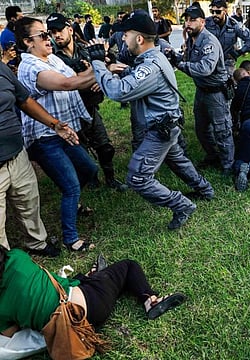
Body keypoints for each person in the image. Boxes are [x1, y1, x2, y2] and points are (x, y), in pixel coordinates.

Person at [89, 10, 214, 230]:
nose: (123, 40)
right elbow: (137, 76)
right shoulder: (153, 57)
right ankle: (205, 190)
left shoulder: (150, 66)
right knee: (177, 160)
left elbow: (119, 92)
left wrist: (98, 64)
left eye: (125, 35)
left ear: (138, 38)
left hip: (160, 129)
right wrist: (117, 68)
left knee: (137, 178)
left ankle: (181, 205)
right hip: (167, 124)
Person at [15, 17, 99, 252]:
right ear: (27, 42)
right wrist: (99, 71)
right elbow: (65, 84)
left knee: (89, 169)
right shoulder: (30, 66)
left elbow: (77, 80)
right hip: (44, 137)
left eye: (48, 33)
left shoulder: (51, 58)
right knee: (70, 185)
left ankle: (74, 204)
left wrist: (95, 76)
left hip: (64, 131)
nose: (49, 38)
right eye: (42, 35)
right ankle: (71, 240)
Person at [0, 247, 187, 350]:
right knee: (128, 266)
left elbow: (10, 334)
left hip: (66, 333)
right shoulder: (17, 257)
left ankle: (93, 275)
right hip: (92, 305)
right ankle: (150, 301)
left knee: (80, 280)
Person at [0, 60, 80, 257]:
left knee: (28, 202)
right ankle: (5, 266)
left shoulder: (1, 69)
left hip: (16, 154)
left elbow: (25, 100)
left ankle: (37, 243)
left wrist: (54, 124)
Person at [46, 13, 128, 192]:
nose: (56, 35)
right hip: (69, 111)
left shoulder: (85, 49)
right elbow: (63, 83)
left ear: (69, 29)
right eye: (52, 32)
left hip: (90, 108)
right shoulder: (53, 58)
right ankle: (91, 180)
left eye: (59, 30)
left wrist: (102, 76)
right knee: (80, 152)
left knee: (105, 147)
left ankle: (110, 178)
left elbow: (111, 62)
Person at [171, 4, 235, 176]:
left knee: (222, 131)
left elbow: (204, 68)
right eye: (186, 20)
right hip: (202, 91)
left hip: (216, 93)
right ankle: (213, 155)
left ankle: (228, 165)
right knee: (202, 129)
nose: (188, 24)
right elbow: (188, 60)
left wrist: (180, 64)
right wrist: (176, 57)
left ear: (202, 22)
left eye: (192, 20)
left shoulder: (209, 41)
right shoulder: (192, 40)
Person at [205, 0, 250, 76]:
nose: (214, 14)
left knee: (228, 85)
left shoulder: (234, 25)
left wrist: (238, 52)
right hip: (210, 61)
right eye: (212, 11)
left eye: (218, 12)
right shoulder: (206, 24)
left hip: (227, 63)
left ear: (225, 11)